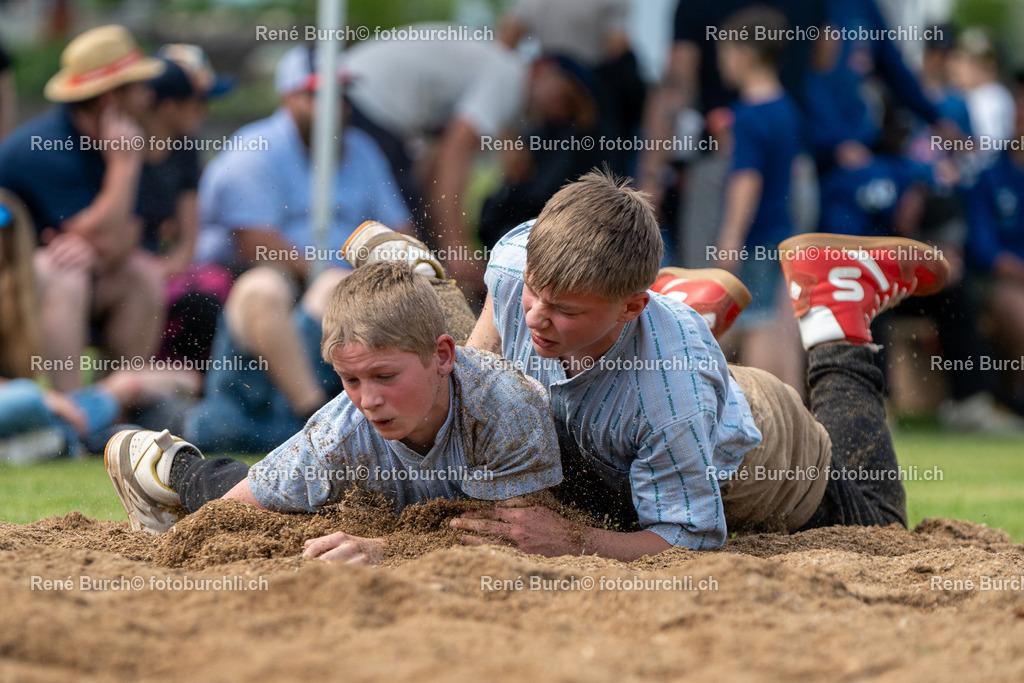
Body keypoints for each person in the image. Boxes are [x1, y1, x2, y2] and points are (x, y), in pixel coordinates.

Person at [455, 170, 948, 561]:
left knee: (884, 533)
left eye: (565, 309)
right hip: (654, 402)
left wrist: (576, 541)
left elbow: (688, 538)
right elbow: (476, 379)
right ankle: (684, 312)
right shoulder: (514, 260)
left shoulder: (669, 398)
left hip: (764, 459)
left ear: (630, 307)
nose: (535, 316)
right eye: (534, 293)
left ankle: (837, 304)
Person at [105, 261, 563, 566]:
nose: (368, 400)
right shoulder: (339, 429)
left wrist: (385, 550)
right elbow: (226, 519)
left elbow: (512, 540)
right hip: (374, 486)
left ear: (442, 356)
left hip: (491, 424)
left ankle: (423, 279)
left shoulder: (506, 406)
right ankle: (170, 467)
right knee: (262, 503)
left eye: (385, 376)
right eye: (351, 379)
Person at [0, 25, 166, 392]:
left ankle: (119, 405)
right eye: (137, 87)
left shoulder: (133, 142)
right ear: (109, 99)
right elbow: (99, 239)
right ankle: (73, 408)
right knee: (63, 272)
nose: (148, 96)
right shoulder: (40, 147)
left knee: (143, 273)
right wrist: (123, 169)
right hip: (14, 287)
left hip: (86, 274)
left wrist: (96, 241)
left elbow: (122, 241)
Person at [711, 6, 804, 392]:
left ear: (745, 54)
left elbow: (746, 180)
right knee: (782, 323)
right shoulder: (786, 108)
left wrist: (730, 237)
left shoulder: (748, 114)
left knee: (756, 324)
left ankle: (766, 411)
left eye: (725, 53)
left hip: (755, 236)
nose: (722, 64)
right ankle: (796, 407)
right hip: (781, 231)